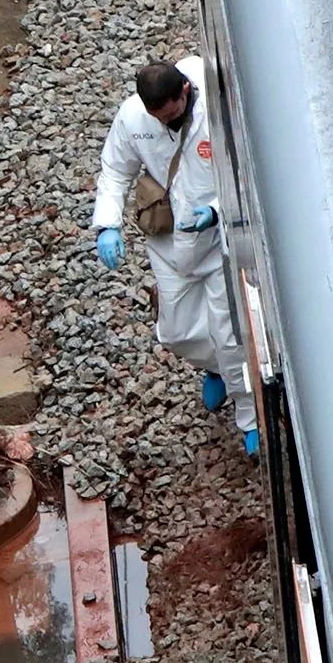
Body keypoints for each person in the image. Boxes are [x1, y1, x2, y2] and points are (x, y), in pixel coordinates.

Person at [89, 57, 256, 450]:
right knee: (177, 332)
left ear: (184, 91)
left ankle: (250, 420)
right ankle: (214, 367)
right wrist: (108, 225)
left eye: (173, 114)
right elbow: (115, 170)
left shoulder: (223, 104)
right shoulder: (134, 118)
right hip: (168, 242)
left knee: (230, 334)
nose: (167, 123)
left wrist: (216, 211)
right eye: (159, 118)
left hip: (219, 241)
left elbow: (249, 169)